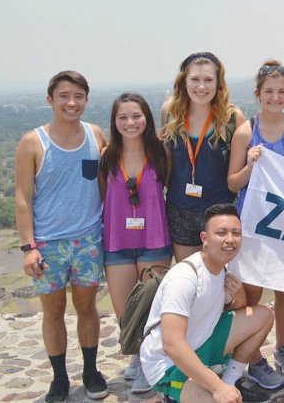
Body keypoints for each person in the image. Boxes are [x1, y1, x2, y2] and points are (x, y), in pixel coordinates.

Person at [15, 71, 109, 402]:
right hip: (48, 245)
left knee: (87, 308)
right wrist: (29, 247)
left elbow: (104, 186)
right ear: (50, 99)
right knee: (53, 312)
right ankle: (59, 378)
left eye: (79, 96)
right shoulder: (33, 142)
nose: (72, 103)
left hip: (88, 241)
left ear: (86, 99)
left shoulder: (95, 135)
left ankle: (91, 370)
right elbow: (23, 198)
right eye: (64, 96)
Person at [227, 60, 284, 388]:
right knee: (252, 293)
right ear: (258, 94)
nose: (275, 97)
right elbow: (233, 183)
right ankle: (255, 356)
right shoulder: (246, 131)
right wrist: (250, 165)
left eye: (282, 91)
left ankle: (282, 347)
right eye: (269, 92)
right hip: (253, 225)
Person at [139, 203, 273, 403]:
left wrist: (240, 295)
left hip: (201, 344)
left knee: (264, 315)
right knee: (218, 399)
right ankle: (168, 393)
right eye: (221, 233)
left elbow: (236, 312)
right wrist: (216, 388)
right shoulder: (185, 277)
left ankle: (230, 383)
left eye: (236, 233)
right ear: (205, 239)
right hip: (167, 365)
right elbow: (172, 344)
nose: (230, 240)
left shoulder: (222, 269)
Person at [99, 93, 172, 393]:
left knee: (152, 308)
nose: (130, 122)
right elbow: (103, 196)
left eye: (136, 116)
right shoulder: (107, 155)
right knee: (125, 310)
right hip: (116, 242)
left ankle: (147, 363)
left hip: (154, 239)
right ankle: (137, 355)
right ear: (114, 122)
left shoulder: (160, 153)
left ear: (148, 118)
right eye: (123, 117)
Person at [161, 52, 244, 262]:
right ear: (184, 82)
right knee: (191, 279)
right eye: (195, 80)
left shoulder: (231, 118)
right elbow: (166, 161)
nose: (201, 87)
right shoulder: (170, 112)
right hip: (180, 210)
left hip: (220, 211)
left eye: (208, 80)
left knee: (222, 283)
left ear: (218, 83)